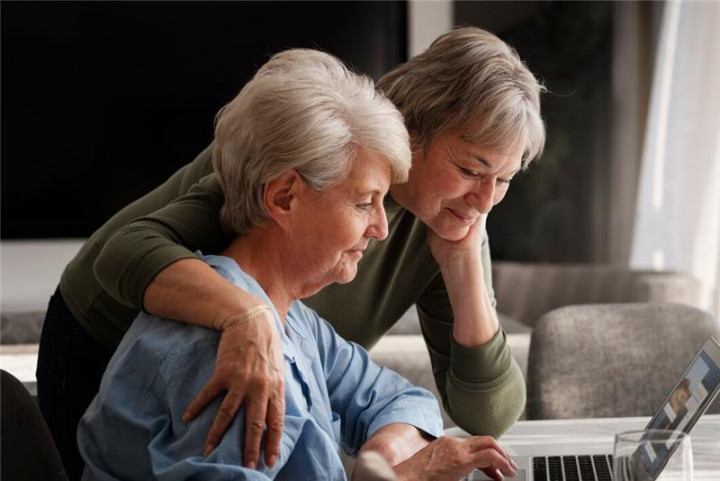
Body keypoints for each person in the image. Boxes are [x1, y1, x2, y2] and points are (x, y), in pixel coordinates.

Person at [37, 26, 545, 479]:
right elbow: (125, 255)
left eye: (503, 180)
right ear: (415, 129)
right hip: (115, 332)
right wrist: (247, 318)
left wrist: (464, 264)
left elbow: (483, 416)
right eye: (472, 170)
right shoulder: (312, 150)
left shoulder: (440, 223)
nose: (484, 201)